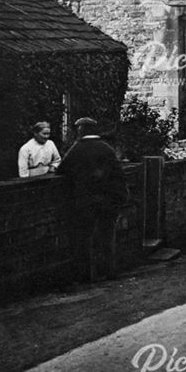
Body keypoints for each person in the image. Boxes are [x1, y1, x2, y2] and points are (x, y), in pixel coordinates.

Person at [57, 118, 129, 281]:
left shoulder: (77, 149)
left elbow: (62, 170)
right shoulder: (107, 149)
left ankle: (86, 275)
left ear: (81, 130)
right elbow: (118, 174)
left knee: (84, 238)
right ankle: (109, 271)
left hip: (86, 201)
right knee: (107, 236)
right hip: (108, 201)